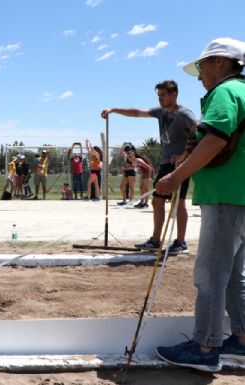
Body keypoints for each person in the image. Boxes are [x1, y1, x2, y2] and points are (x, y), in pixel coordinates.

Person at [154, 37, 245, 373]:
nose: (199, 75)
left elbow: (216, 137)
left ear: (220, 62)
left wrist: (177, 175)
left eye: (202, 66)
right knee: (235, 276)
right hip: (240, 196)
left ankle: (206, 346)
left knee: (210, 275)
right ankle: (242, 338)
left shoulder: (226, 92)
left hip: (224, 197)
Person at [102, 79, 198, 254]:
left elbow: (198, 131)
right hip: (164, 163)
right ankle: (155, 240)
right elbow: (138, 112)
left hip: (179, 165)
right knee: (157, 201)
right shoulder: (161, 113)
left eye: (163, 95)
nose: (160, 98)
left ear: (174, 95)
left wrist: (185, 156)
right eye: (158, 95)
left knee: (178, 202)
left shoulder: (184, 114)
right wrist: (114, 110)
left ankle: (180, 242)